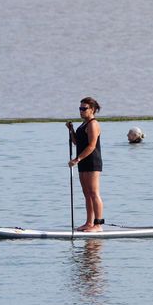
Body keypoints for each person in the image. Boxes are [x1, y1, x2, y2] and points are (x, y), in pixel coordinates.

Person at [66, 97, 104, 231]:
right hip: (82, 160)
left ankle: (98, 224)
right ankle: (89, 223)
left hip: (92, 161)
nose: (81, 111)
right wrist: (71, 130)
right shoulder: (83, 125)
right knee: (86, 193)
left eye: (84, 108)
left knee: (94, 192)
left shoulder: (93, 124)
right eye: (80, 109)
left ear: (92, 109)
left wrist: (77, 159)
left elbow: (92, 146)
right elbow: (76, 142)